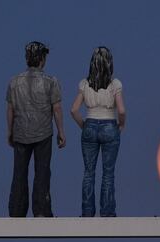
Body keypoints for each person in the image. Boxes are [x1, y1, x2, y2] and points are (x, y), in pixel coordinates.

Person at [6, 41, 66, 217]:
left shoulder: (14, 82)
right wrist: (61, 131)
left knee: (19, 172)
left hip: (20, 132)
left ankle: (16, 210)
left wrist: (9, 131)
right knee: (42, 172)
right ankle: (41, 210)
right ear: (42, 59)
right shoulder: (51, 82)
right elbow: (57, 108)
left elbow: (10, 109)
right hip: (43, 133)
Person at [70, 46, 126, 217]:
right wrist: (121, 125)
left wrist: (84, 126)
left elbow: (73, 110)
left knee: (89, 172)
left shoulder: (84, 84)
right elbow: (122, 110)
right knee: (108, 172)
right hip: (110, 125)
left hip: (90, 125)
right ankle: (107, 212)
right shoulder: (115, 84)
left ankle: (87, 212)